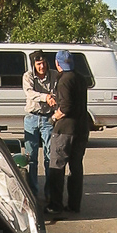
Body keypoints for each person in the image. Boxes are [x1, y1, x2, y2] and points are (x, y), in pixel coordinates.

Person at [45, 49, 89, 216]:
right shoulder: (80, 78)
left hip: (65, 130)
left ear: (57, 64)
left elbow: (66, 107)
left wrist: (54, 117)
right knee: (76, 168)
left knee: (57, 167)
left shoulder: (64, 80)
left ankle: (55, 205)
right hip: (81, 129)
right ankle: (74, 204)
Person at [22, 49, 57, 198]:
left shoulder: (55, 75)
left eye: (43, 63)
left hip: (48, 118)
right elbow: (29, 93)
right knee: (31, 158)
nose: (41, 66)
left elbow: (59, 92)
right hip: (31, 118)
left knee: (50, 157)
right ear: (33, 65)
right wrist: (46, 96)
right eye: (38, 64)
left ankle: (50, 194)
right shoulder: (28, 76)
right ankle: (33, 193)